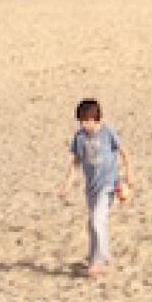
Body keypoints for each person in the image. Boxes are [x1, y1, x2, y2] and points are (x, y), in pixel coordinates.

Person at [57, 98, 134, 278]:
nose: (83, 125)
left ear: (95, 118)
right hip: (91, 188)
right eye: (81, 121)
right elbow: (75, 163)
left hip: (109, 185)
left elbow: (125, 153)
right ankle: (96, 258)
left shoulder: (108, 133)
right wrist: (67, 185)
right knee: (93, 224)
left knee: (97, 220)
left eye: (86, 121)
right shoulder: (80, 137)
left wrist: (130, 174)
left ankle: (100, 261)